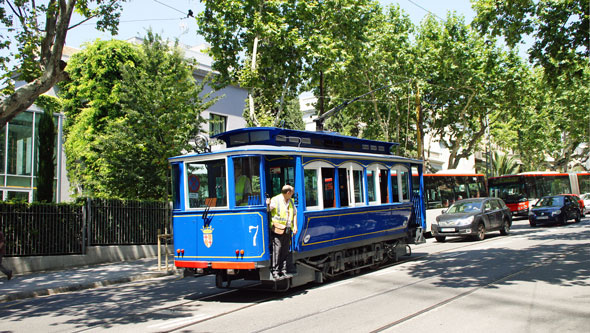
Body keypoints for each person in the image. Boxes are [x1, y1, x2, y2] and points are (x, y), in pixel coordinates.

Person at [267, 184, 297, 279]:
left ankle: (282, 270)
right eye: (292, 192)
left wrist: (295, 226)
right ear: (288, 192)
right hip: (277, 229)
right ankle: (275, 270)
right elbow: (267, 210)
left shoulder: (291, 201)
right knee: (277, 249)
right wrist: (267, 204)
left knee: (285, 250)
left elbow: (295, 213)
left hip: (288, 229)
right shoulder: (276, 200)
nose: (292, 194)